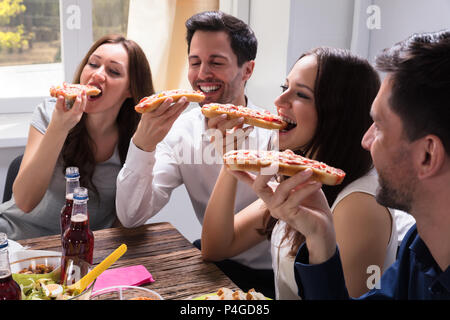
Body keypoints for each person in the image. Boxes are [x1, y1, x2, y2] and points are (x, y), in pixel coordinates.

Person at [238, 30, 450, 299]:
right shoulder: (419, 247)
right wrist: (321, 239)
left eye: (380, 126)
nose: (366, 140)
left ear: (428, 156)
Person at [202, 46, 411, 299]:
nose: (279, 101)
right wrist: (232, 160)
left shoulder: (358, 204)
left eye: (300, 94)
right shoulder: (299, 174)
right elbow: (216, 247)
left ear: (337, 113)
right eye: (284, 88)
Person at [115, 11, 275, 297]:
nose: (202, 75)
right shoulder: (179, 130)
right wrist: (142, 144)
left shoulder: (275, 136)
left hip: (270, 274)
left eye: (216, 62)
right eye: (195, 62)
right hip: (210, 263)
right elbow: (131, 216)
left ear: (247, 70)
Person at [0, 34, 154, 240]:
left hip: (80, 251)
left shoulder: (140, 138)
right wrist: (58, 128)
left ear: (130, 89)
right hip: (15, 238)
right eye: (93, 64)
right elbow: (25, 202)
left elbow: (126, 221)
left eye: (114, 71)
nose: (97, 75)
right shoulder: (49, 113)